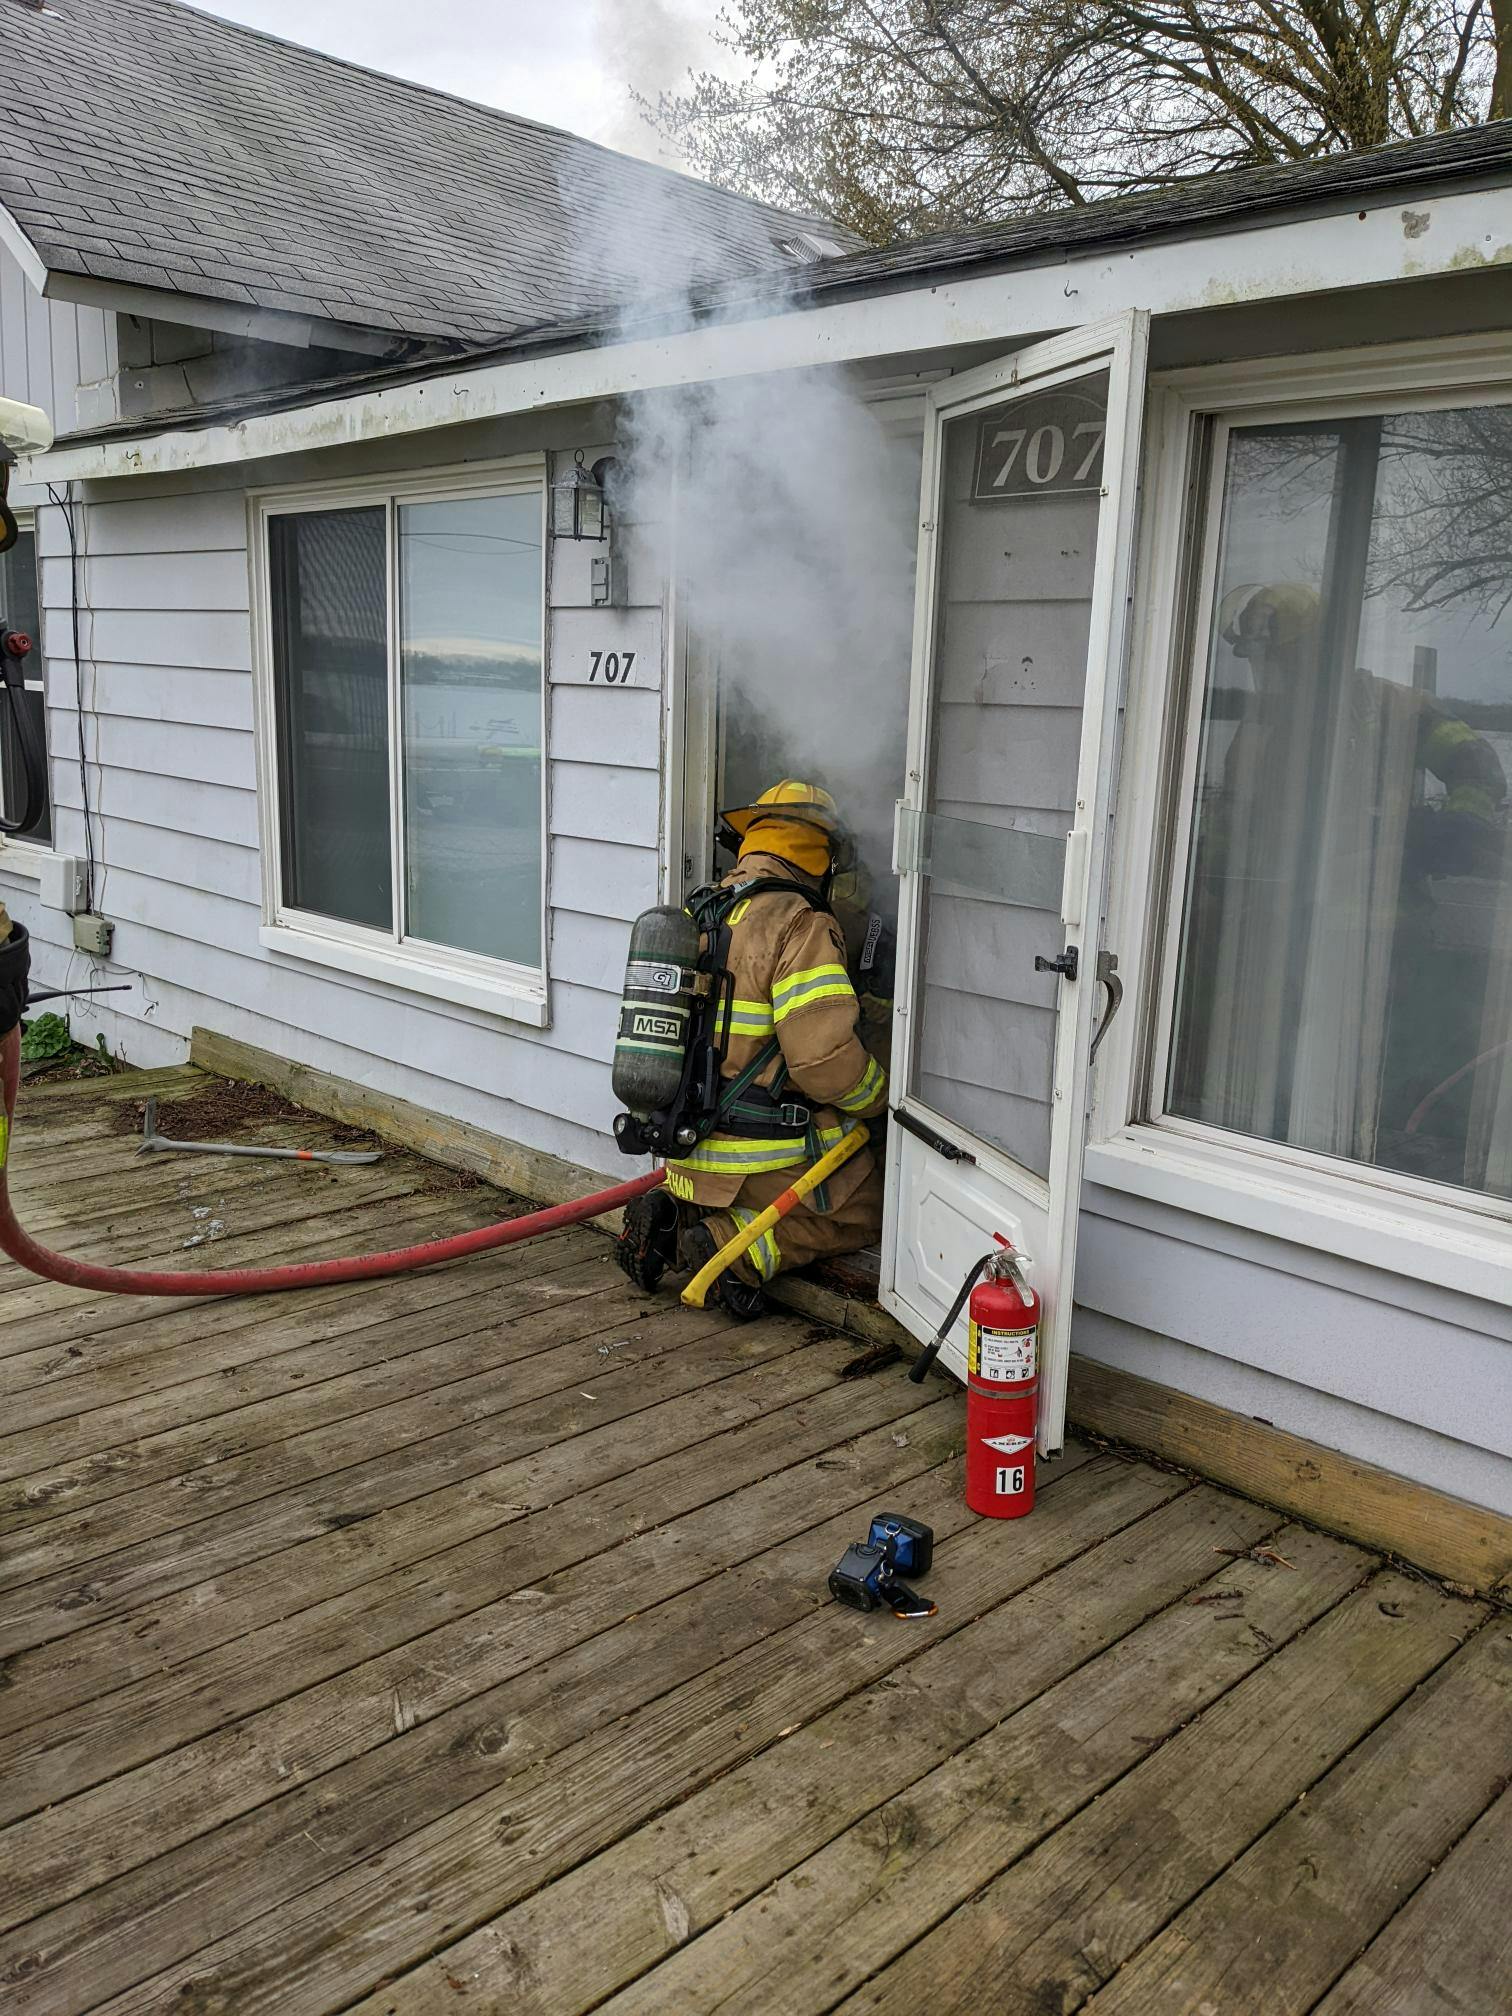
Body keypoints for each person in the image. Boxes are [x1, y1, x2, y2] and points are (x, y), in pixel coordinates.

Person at [615, 780, 889, 1318]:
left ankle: (672, 1212)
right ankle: (729, 1247)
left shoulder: (702, 911)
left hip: (687, 1154)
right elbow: (823, 1063)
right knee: (869, 1210)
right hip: (763, 1164)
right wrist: (879, 1098)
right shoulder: (801, 923)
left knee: (720, 1183)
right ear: (822, 856)